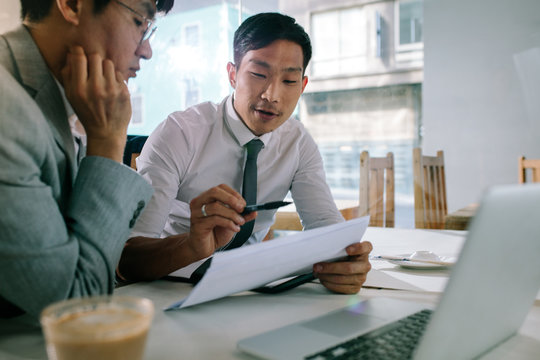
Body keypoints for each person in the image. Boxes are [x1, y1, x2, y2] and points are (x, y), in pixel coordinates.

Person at [121, 12, 372, 294]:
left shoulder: (298, 142)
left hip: (250, 291)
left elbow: (327, 230)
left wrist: (345, 260)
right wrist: (192, 245)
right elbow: (129, 258)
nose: (271, 95)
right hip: (169, 286)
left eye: (289, 81)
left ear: (302, 86)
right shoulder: (179, 133)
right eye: (258, 74)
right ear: (232, 74)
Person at [0, 0, 174, 322]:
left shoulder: (54, 100)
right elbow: (76, 304)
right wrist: (108, 141)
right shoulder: (7, 111)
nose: (147, 50)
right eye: (141, 22)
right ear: (71, 5)